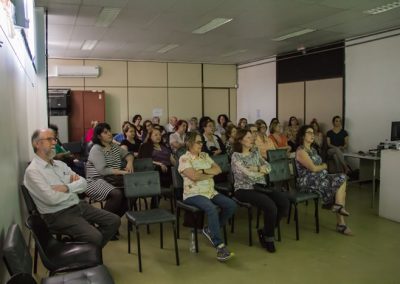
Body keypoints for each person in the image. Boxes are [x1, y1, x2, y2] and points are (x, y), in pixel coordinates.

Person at [24, 128, 120, 248]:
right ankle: (88, 253)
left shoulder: (60, 165)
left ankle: (87, 252)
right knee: (95, 237)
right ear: (37, 144)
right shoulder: (33, 171)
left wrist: (66, 187)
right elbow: (51, 199)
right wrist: (74, 187)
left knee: (114, 220)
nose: (54, 142)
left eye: (54, 139)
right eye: (49, 139)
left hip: (78, 205)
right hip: (57, 214)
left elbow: (84, 183)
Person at [178, 132, 237, 261]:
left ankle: (210, 229)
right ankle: (220, 247)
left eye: (202, 142)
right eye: (198, 142)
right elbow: (194, 176)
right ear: (189, 143)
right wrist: (209, 174)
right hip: (193, 194)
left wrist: (203, 172)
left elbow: (218, 170)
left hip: (210, 192)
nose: (201, 144)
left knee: (231, 205)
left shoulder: (205, 155)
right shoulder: (184, 159)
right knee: (211, 209)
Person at [231, 129, 289, 252]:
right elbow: (248, 175)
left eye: (252, 137)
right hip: (244, 189)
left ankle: (266, 231)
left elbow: (269, 167)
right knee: (271, 207)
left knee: (284, 203)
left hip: (260, 186)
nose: (252, 139)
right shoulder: (236, 156)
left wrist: (256, 168)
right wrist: (259, 171)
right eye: (248, 137)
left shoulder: (255, 153)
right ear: (240, 141)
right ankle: (269, 238)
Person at [295, 125, 352, 235]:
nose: (312, 135)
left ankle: (338, 206)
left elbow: (317, 167)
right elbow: (313, 168)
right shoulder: (300, 151)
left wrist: (322, 167)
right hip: (307, 181)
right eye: (309, 133)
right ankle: (341, 223)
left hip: (318, 177)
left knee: (342, 177)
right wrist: (325, 166)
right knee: (336, 185)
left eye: (313, 133)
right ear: (303, 136)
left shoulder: (313, 150)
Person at [86, 123, 133, 220]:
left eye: (109, 131)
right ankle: (103, 222)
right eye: (105, 132)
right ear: (99, 136)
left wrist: (129, 162)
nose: (109, 134)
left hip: (112, 180)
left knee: (133, 192)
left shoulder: (114, 146)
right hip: (96, 181)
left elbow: (129, 155)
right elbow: (103, 170)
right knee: (117, 194)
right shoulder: (96, 149)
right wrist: (122, 172)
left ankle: (112, 221)